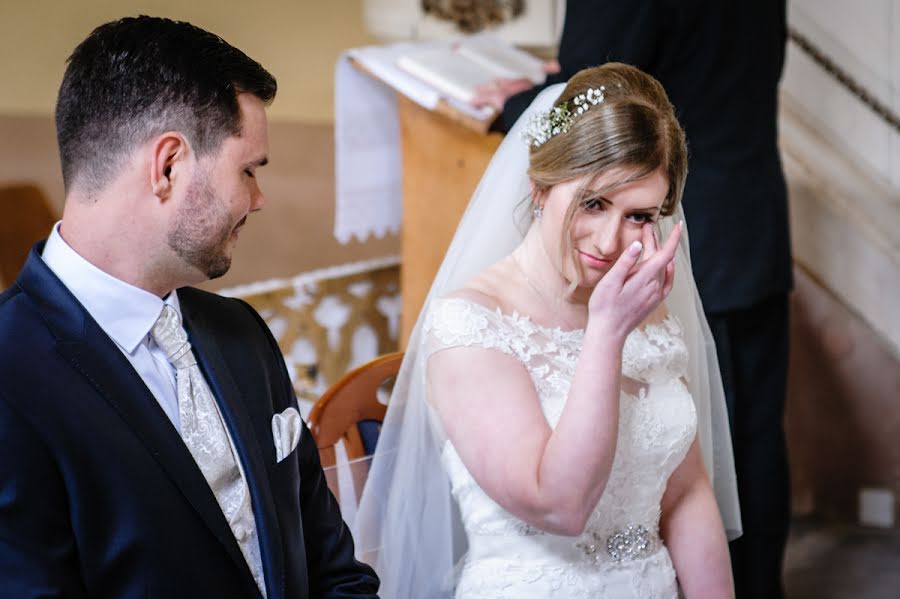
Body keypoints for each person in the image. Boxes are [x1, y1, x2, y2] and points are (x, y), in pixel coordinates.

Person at [0, 16, 379, 599]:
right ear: (169, 165)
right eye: (248, 169)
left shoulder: (240, 332)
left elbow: (331, 567)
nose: (259, 199)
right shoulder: (10, 372)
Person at [356, 62, 741, 598]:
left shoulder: (645, 310)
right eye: (594, 203)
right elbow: (559, 505)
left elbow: (685, 490)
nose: (610, 243)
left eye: (639, 216)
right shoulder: (470, 325)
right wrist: (606, 334)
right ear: (540, 188)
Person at [475, 3, 793, 597]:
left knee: (715, 452)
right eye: (587, 205)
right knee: (755, 441)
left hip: (678, 228)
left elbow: (595, 111)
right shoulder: (472, 323)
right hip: (752, 223)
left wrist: (519, 105)